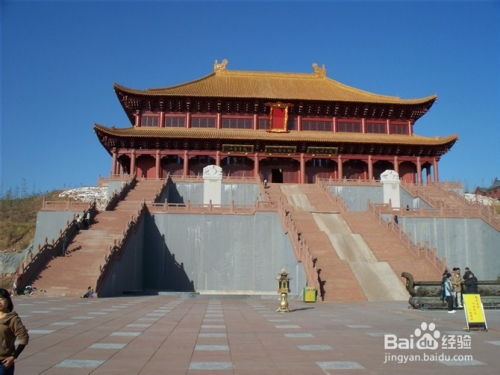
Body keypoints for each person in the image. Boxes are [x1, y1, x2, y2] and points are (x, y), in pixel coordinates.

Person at [0, 288, 29, 375]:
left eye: (2, 299)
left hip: (3, 362)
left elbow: (24, 338)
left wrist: (13, 356)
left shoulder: (13, 319)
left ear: (8, 301)